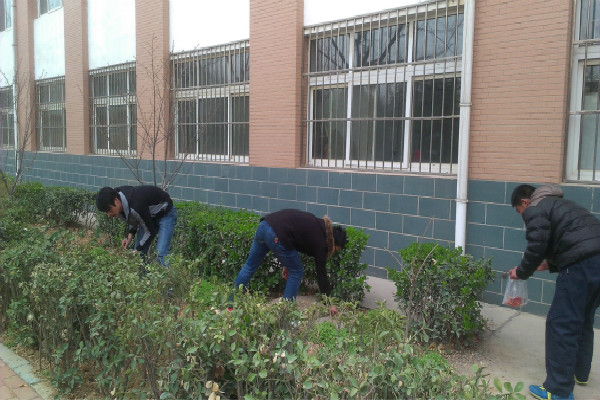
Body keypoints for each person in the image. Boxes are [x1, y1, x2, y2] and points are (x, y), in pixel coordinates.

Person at [509, 184, 600, 400]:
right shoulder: (560, 204)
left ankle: (558, 390)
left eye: (520, 211)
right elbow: (576, 241)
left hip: (581, 266)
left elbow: (536, 246)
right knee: (582, 319)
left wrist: (521, 272)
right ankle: (580, 373)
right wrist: (550, 264)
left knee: (560, 325)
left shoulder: (535, 208)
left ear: (525, 202)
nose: (523, 216)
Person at [232, 209, 347, 315]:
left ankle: (230, 305)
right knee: (297, 272)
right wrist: (329, 303)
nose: (333, 252)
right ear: (334, 242)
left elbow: (294, 237)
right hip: (276, 234)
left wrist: (287, 264)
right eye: (336, 250)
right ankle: (285, 314)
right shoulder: (322, 242)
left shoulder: (317, 225)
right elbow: (321, 274)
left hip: (264, 225)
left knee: (250, 266)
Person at [96, 185, 178, 267]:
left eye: (109, 210)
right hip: (147, 214)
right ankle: (144, 275)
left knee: (162, 254)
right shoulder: (118, 199)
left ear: (116, 200)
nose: (109, 215)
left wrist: (138, 249)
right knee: (139, 255)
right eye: (106, 212)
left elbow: (150, 232)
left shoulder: (136, 205)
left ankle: (169, 274)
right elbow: (133, 217)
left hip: (166, 213)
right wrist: (130, 236)